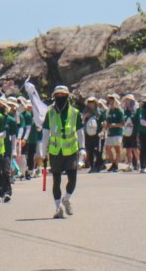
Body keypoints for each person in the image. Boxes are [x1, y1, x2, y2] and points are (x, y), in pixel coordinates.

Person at [41, 85, 82, 219]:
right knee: (56, 180)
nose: (60, 97)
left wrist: (83, 148)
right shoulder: (50, 113)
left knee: (73, 178)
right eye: (57, 95)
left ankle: (67, 198)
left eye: (63, 95)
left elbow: (80, 132)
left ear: (67, 96)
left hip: (71, 151)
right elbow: (46, 133)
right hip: (55, 151)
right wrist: (43, 152)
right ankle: (58, 208)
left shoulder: (75, 113)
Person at [103, 94, 124, 172]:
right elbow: (106, 120)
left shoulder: (119, 111)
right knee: (107, 148)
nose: (110, 102)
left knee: (117, 148)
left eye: (112, 100)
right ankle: (113, 163)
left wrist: (113, 125)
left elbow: (122, 123)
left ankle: (116, 164)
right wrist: (105, 124)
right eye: (110, 100)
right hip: (110, 133)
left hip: (117, 132)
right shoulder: (108, 111)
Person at [83, 97, 102, 173]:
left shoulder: (98, 112)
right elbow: (82, 122)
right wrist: (85, 117)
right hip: (88, 134)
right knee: (89, 150)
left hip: (97, 134)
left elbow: (102, 121)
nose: (90, 105)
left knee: (96, 150)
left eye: (92, 103)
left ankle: (99, 163)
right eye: (89, 103)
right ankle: (92, 166)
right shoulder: (85, 111)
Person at [121, 94, 138, 171]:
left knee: (135, 148)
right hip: (126, 132)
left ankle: (138, 163)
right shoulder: (125, 112)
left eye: (128, 100)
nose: (127, 102)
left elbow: (137, 121)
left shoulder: (135, 111)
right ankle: (130, 164)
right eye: (126, 100)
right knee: (128, 149)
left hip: (133, 132)